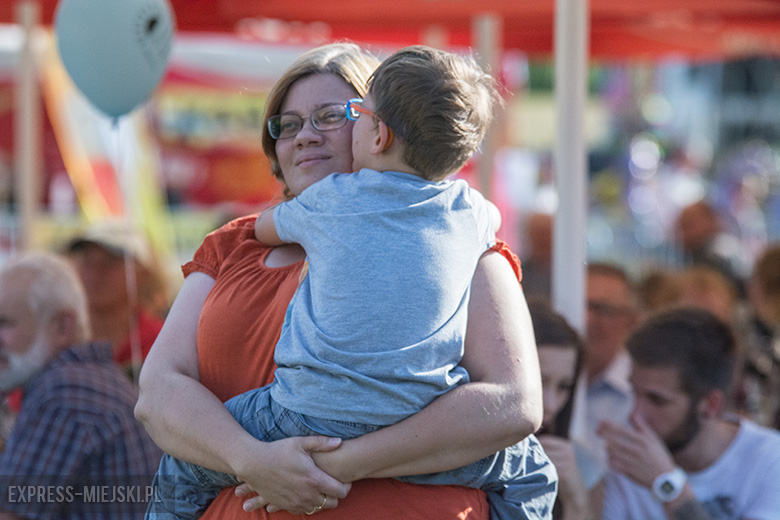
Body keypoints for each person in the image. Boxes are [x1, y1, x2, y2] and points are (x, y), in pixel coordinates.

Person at [135, 42, 546, 520]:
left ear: (380, 126)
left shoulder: (460, 244)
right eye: (287, 125)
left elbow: (513, 403)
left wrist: (339, 464)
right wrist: (252, 460)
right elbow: (160, 389)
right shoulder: (235, 244)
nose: (305, 136)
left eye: (329, 116)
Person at [0, 251, 162, 520]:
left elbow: (10, 513)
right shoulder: (86, 378)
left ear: (63, 326)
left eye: (4, 323)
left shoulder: (65, 392)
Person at [598, 307, 780, 519]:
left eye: (657, 400)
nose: (635, 415)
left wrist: (667, 485)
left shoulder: (769, 461)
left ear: (711, 405)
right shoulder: (631, 457)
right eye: (633, 392)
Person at [529, 299, 604, 520]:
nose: (551, 404)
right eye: (540, 381)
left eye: (564, 387)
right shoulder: (472, 452)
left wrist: (575, 497)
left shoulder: (580, 462)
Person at [65, 218, 167, 379]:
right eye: (87, 261)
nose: (95, 273)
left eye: (111, 262)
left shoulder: (162, 341)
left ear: (142, 273)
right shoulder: (59, 337)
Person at [570, 263, 640, 465]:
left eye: (603, 310)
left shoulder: (640, 396)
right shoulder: (542, 383)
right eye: (580, 305)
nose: (586, 319)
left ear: (630, 321)